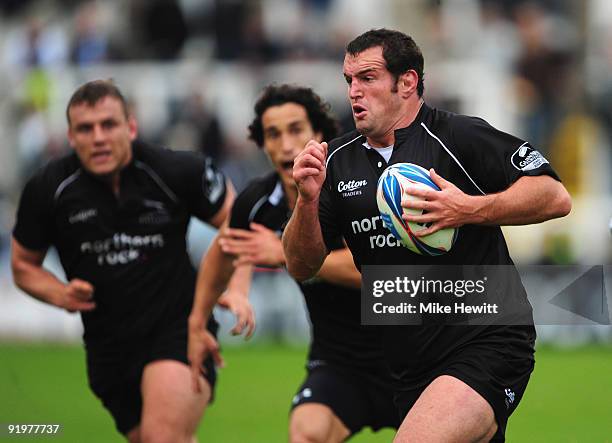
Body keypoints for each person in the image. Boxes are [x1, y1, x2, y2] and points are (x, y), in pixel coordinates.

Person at [283, 29, 572, 443]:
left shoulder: (458, 136)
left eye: (367, 77)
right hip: (408, 362)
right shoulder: (336, 162)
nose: (354, 92)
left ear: (407, 82)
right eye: (349, 80)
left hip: (488, 337)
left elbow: (554, 195)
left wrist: (467, 209)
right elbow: (299, 263)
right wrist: (306, 202)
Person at [11, 79, 252, 443]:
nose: (98, 137)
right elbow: (22, 266)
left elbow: (240, 226)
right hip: (107, 346)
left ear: (131, 126)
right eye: (86, 129)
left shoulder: (175, 170)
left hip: (178, 328)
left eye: (109, 125)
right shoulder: (49, 190)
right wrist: (59, 293)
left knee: (162, 437)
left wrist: (236, 289)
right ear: (71, 136)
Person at [188, 84, 400, 442]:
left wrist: (287, 256)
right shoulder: (258, 202)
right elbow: (226, 252)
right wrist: (203, 320)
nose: (286, 145)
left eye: (296, 130)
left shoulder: (358, 185)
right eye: (273, 133)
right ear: (262, 144)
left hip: (411, 354)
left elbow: (384, 278)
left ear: (320, 135)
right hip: (340, 363)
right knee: (306, 432)